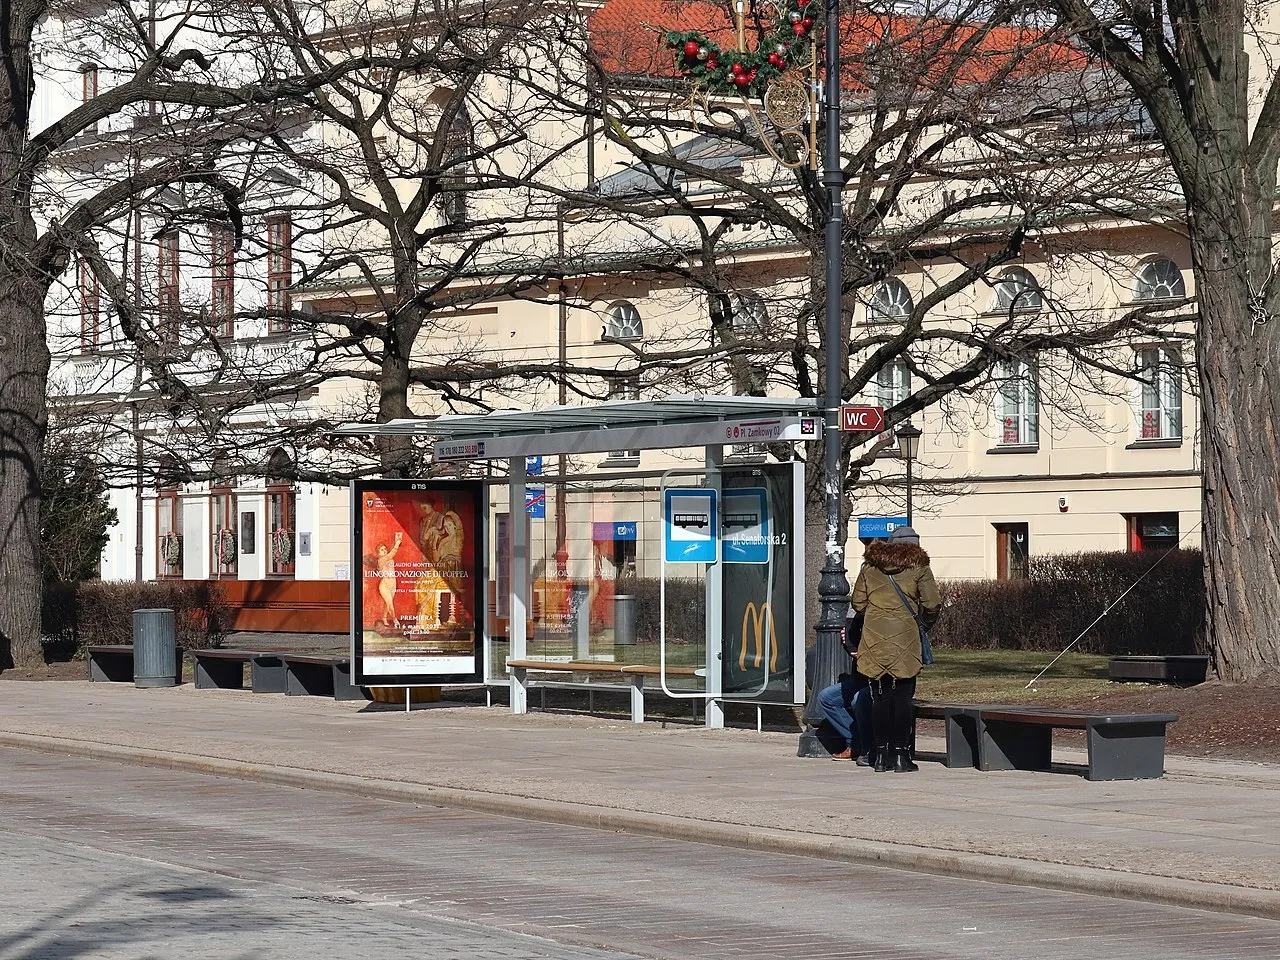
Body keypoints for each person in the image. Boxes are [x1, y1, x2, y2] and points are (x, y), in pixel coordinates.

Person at [852, 526, 941, 773]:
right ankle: (901, 756)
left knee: (879, 696)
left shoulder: (870, 567)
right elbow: (932, 603)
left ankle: (880, 756)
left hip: (874, 638)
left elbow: (858, 603)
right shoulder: (920, 567)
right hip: (906, 637)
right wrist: (923, 624)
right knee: (902, 697)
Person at [816, 607, 874, 761]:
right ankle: (855, 741)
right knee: (826, 697)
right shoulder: (856, 609)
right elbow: (849, 638)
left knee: (858, 700)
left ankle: (869, 744)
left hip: (880, 681)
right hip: (860, 677)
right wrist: (850, 644)